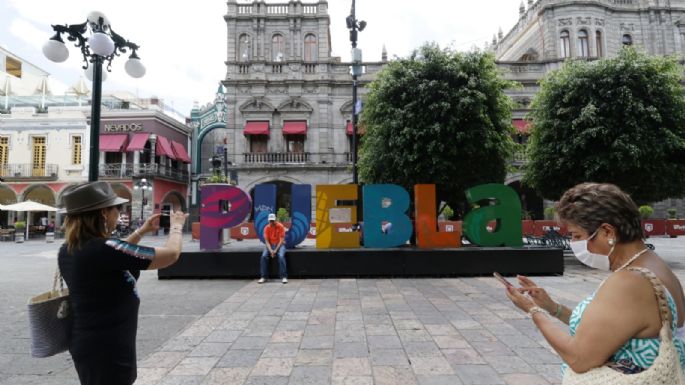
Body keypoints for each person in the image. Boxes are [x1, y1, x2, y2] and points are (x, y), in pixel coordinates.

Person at [504, 183, 685, 375]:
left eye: (577, 235)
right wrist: (553, 308)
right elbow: (608, 328)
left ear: (607, 232)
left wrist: (533, 311)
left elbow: (579, 358)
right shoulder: (653, 265)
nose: (574, 244)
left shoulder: (630, 282)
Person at [57, 181, 188, 385]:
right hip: (107, 348)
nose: (118, 213)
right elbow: (171, 255)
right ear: (103, 213)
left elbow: (116, 254)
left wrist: (141, 231)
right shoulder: (103, 249)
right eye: (116, 208)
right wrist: (177, 227)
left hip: (92, 343)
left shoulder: (69, 249)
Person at [258, 213, 287, 284]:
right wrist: (271, 251)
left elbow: (281, 240)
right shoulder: (266, 228)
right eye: (270, 221)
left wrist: (275, 250)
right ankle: (264, 277)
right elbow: (267, 241)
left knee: (280, 256)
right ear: (268, 220)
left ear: (275, 220)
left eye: (273, 220)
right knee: (264, 256)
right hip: (270, 245)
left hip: (280, 245)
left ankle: (283, 277)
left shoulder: (280, 226)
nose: (272, 222)